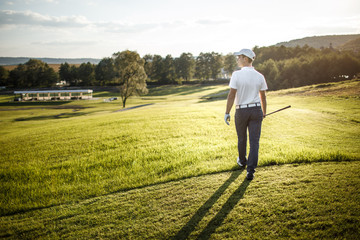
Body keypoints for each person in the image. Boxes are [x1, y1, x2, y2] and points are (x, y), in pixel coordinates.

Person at [224, 49, 268, 180]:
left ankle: (242, 161)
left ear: (245, 58)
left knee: (242, 139)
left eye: (239, 57)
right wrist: (263, 113)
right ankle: (251, 171)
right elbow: (263, 97)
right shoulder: (260, 76)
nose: (237, 59)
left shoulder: (236, 75)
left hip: (241, 111)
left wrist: (227, 112)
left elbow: (231, 95)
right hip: (256, 110)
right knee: (255, 142)